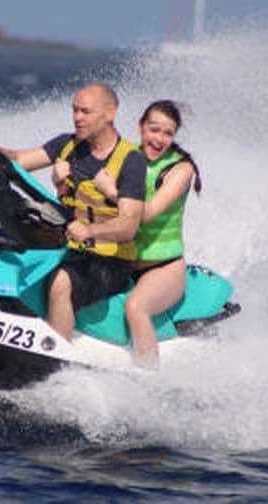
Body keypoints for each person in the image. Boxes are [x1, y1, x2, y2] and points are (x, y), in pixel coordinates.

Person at [0, 83, 147, 340]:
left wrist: (90, 230)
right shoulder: (67, 145)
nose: (77, 118)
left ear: (109, 113)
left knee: (61, 281)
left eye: (85, 111)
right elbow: (19, 162)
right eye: (74, 110)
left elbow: (129, 224)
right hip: (66, 246)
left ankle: (54, 359)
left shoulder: (131, 161)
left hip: (109, 261)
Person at [93, 100, 202, 368]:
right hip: (121, 261)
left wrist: (111, 191)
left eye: (168, 133)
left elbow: (149, 211)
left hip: (163, 269)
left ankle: (149, 380)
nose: (160, 139)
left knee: (136, 308)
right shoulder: (124, 157)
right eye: (154, 130)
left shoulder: (180, 169)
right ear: (141, 127)